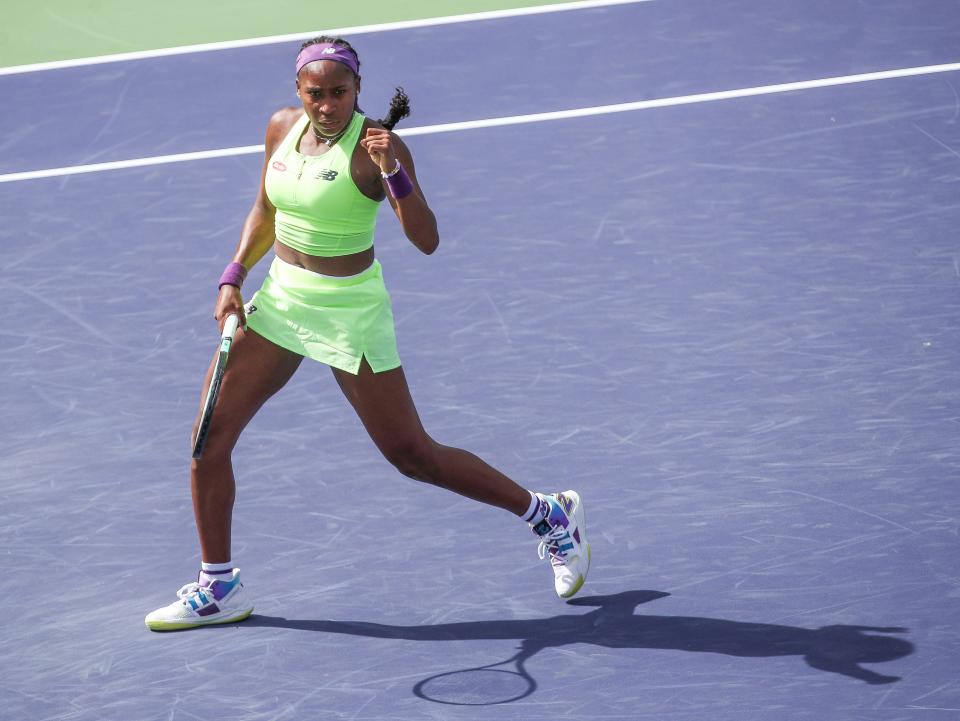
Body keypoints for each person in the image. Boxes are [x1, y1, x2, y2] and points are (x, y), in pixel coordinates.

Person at [145, 36, 590, 631]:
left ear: (358, 89)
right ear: (297, 91)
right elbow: (265, 209)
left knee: (412, 455)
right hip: (278, 302)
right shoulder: (281, 127)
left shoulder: (378, 146)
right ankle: (218, 585)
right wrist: (232, 276)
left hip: (349, 311)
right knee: (207, 444)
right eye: (315, 94)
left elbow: (427, 239)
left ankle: (549, 515)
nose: (327, 105)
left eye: (340, 93)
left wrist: (393, 173)